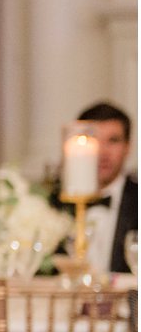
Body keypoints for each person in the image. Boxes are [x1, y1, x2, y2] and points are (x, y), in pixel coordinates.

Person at [61, 101, 135, 275]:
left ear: (127, 147)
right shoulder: (55, 203)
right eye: (93, 141)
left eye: (113, 141)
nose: (103, 152)